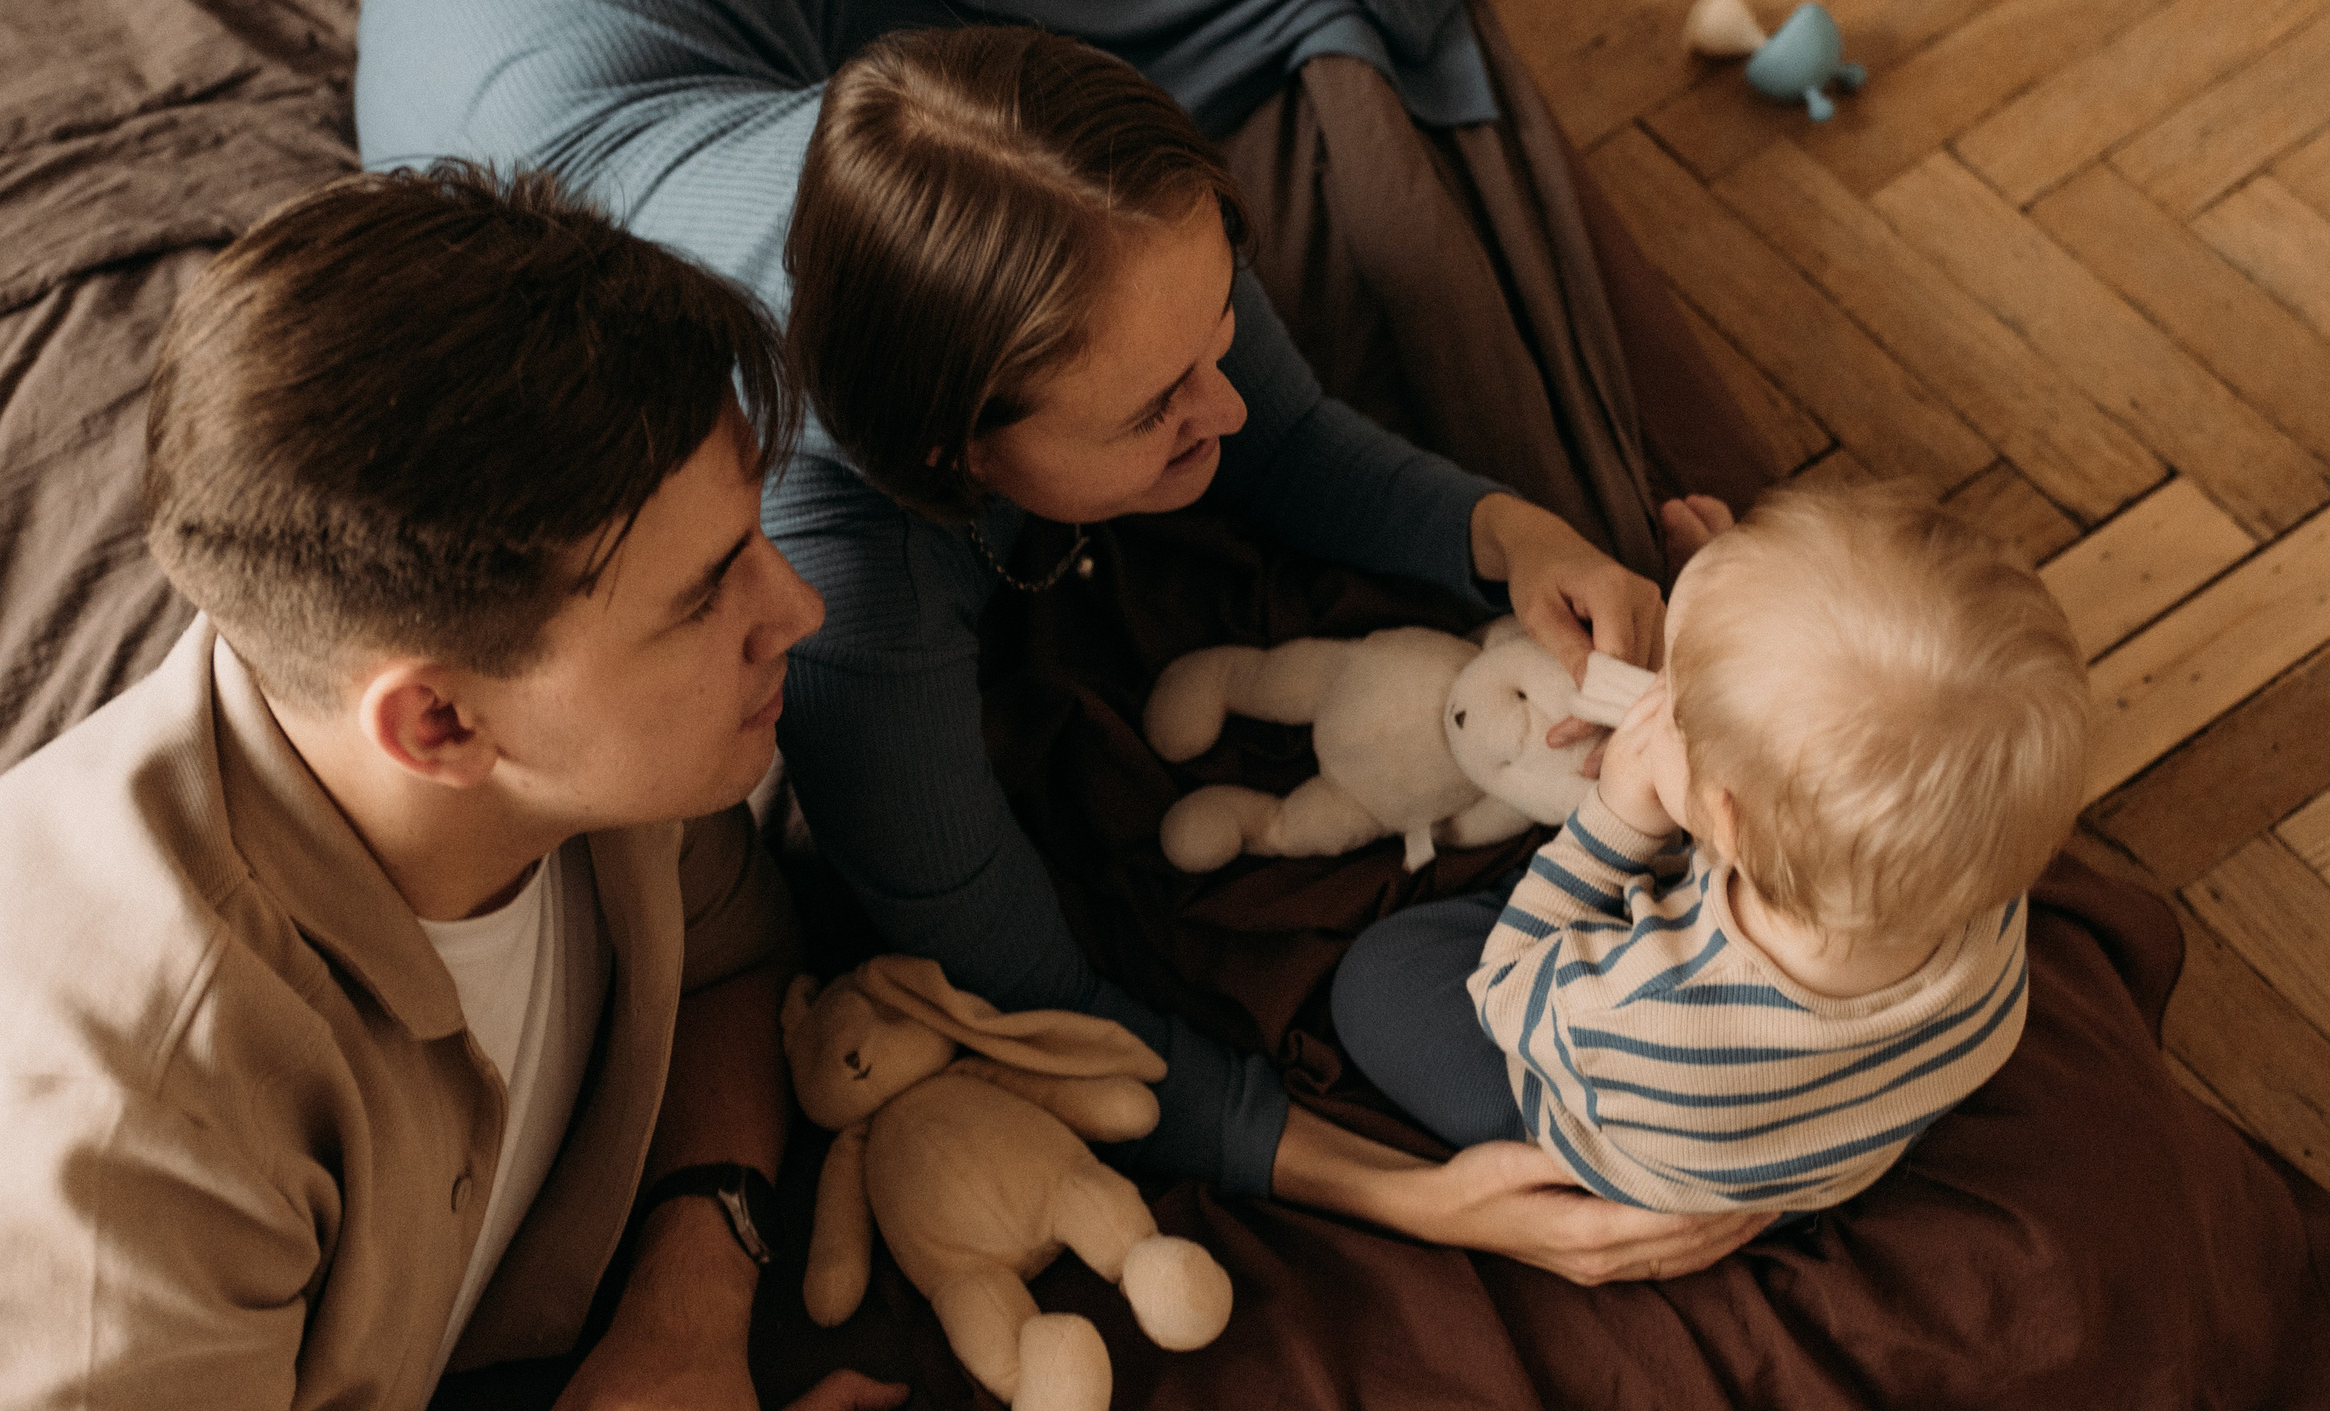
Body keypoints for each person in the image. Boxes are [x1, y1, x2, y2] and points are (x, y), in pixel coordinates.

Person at [0, 165, 1046, 1411]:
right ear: (437, 719)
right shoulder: (100, 1137)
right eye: (709, 594)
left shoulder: (596, 746)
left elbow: (726, 960)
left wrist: (689, 1293)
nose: (799, 611)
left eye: (752, 538)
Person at [362, 8, 1772, 1286]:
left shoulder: (1085, 213)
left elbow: (1277, 436)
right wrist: (1412, 1195)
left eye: (1221, 324)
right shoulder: (839, 578)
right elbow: (1022, 986)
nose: (1219, 411)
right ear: (951, 450)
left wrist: (1510, 531)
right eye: (1156, 408)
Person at [1331, 485, 2092, 1213]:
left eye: (1672, 694)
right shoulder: (1971, 868)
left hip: (1652, 1135)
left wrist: (1612, 825)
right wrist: (1742, 594)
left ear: (1720, 822)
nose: (1652, 689)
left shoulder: (1640, 1011)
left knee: (1374, 985)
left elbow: (1503, 990)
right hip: (1833, 1140)